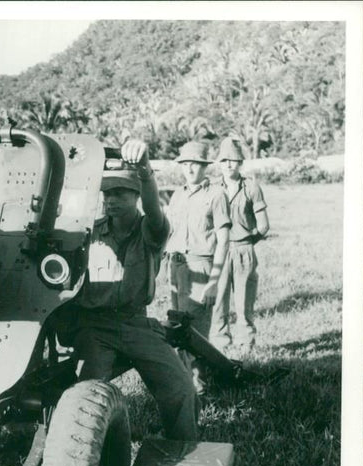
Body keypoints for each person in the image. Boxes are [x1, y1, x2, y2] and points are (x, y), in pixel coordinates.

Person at [55, 139, 199, 441]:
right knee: (84, 400)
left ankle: (183, 450)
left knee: (180, 389)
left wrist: (145, 170)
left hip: (137, 323)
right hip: (94, 327)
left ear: (135, 195)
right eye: (106, 193)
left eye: (119, 192)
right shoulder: (90, 233)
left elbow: (154, 210)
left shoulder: (152, 231)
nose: (110, 199)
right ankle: (90, 456)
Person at [164, 141, 231, 393]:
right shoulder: (177, 195)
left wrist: (214, 281)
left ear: (204, 167)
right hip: (177, 266)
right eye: (185, 164)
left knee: (195, 334)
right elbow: (169, 230)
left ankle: (199, 389)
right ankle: (183, 384)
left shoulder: (216, 195)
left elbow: (224, 241)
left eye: (195, 164)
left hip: (201, 267)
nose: (190, 169)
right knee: (177, 330)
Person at [210, 137, 270, 352]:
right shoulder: (212, 188)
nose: (228, 164)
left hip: (244, 249)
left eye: (233, 160)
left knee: (244, 303)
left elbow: (263, 225)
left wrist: (246, 241)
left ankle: (246, 345)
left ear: (241, 163)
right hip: (219, 252)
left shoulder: (251, 188)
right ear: (219, 162)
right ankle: (220, 344)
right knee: (218, 302)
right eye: (224, 160)